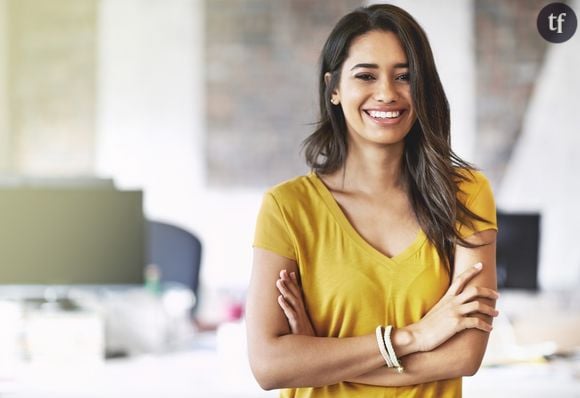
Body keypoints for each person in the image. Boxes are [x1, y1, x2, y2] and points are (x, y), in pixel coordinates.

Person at [246, 4, 498, 398]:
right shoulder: (288, 207)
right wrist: (416, 336)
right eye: (366, 75)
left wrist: (320, 358)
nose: (387, 93)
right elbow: (269, 366)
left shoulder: (465, 194)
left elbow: (463, 356)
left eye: (405, 77)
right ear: (333, 88)